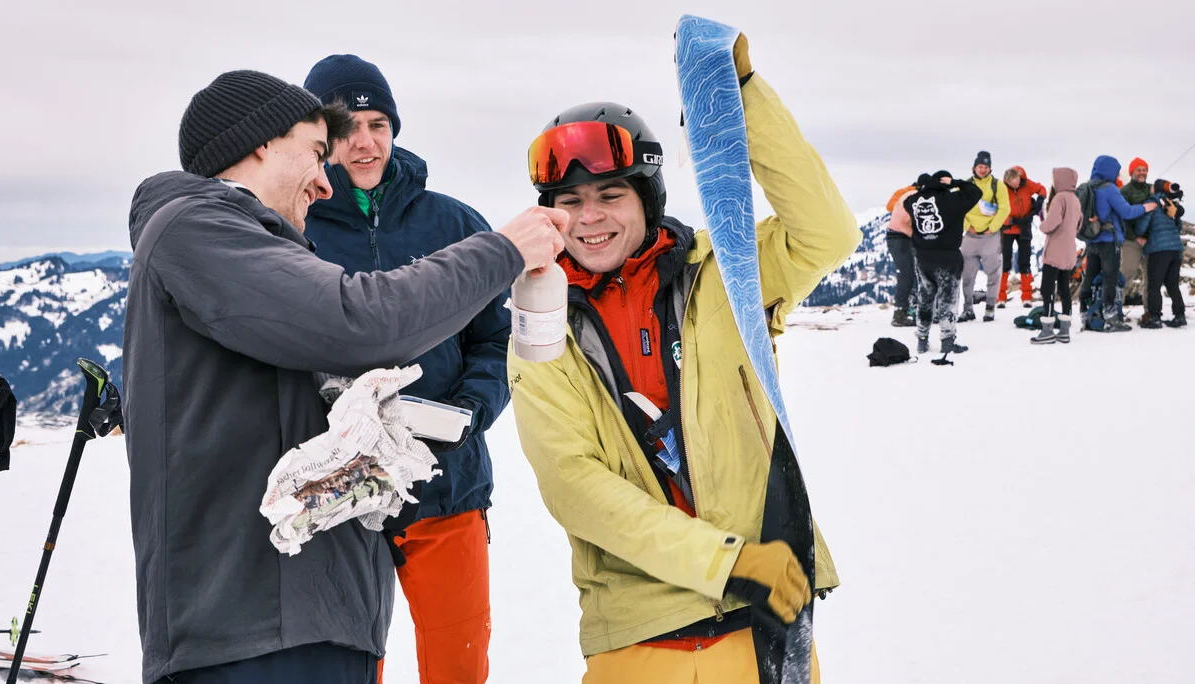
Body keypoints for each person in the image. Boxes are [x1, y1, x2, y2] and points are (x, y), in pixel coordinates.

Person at [122, 69, 565, 684]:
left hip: (324, 600)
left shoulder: (260, 237)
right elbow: (358, 320)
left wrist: (449, 412)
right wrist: (504, 250)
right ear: (261, 143)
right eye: (317, 150)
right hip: (252, 632)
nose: (326, 180)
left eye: (377, 125)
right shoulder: (199, 229)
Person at [507, 35, 857, 684]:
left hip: (765, 623)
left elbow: (827, 234)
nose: (589, 218)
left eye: (610, 195)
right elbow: (574, 484)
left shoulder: (727, 276)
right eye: (570, 202)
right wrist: (726, 561)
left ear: (647, 198)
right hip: (642, 636)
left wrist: (743, 99)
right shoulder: (541, 327)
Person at [302, 54, 503, 684]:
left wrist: (469, 412)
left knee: (457, 667)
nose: (365, 143)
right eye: (347, 128)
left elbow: (496, 340)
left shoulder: (454, 224)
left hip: (445, 485)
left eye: (379, 125)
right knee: (345, 670)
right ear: (319, 139)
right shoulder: (292, 230)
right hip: (337, 495)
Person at [1076, 155, 1158, 332]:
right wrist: (1146, 207)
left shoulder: (1087, 187)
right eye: (1117, 171)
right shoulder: (1109, 189)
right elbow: (1127, 212)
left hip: (1091, 240)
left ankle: (1086, 313)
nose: (1118, 175)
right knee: (1110, 278)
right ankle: (1111, 317)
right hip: (1108, 241)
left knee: (1089, 277)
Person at [905, 171, 983, 354]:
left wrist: (925, 188)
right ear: (945, 184)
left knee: (924, 299)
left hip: (923, 257)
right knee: (948, 300)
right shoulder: (954, 200)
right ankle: (947, 341)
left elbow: (906, 201)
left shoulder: (914, 201)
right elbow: (975, 192)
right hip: (948, 257)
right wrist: (956, 183)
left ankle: (922, 340)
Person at [1032, 168, 1083, 344]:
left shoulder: (1060, 198)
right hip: (1069, 251)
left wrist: (1042, 224)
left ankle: (1047, 330)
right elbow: (1079, 224)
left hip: (1055, 251)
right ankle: (1064, 330)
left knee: (1047, 289)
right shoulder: (1075, 199)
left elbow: (1052, 223)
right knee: (1064, 289)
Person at [960, 150, 1011, 322]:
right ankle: (968, 308)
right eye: (980, 166)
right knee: (967, 275)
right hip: (970, 236)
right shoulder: (965, 185)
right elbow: (959, 207)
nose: (983, 170)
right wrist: (967, 226)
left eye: (986, 167)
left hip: (990, 237)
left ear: (990, 168)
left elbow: (1004, 208)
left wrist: (992, 227)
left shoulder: (997, 185)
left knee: (993, 273)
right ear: (974, 167)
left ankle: (990, 308)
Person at [1134, 180, 1187, 328]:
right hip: (1176, 249)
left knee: (1154, 285)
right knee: (1172, 284)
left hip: (1159, 250)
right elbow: (1179, 226)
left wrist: (1139, 233)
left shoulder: (1151, 202)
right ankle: (1180, 315)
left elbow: (1141, 227)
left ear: (1155, 189)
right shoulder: (1171, 204)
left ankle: (1155, 318)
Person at [999, 166, 1047, 308]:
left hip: (1024, 228)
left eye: (1018, 182)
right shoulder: (1002, 189)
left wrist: (1040, 199)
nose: (1017, 185)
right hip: (1007, 229)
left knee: (1025, 262)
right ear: (1007, 182)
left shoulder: (1027, 183)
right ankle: (1000, 297)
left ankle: (1026, 297)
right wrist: (1008, 221)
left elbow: (1042, 188)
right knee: (1004, 263)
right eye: (1013, 184)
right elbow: (996, 207)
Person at [1119, 157, 1152, 305]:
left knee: (1151, 278)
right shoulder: (1125, 191)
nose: (1142, 172)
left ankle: (1150, 311)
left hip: (1150, 240)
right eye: (1139, 170)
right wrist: (1136, 237)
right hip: (1131, 240)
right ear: (1132, 172)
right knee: (1126, 274)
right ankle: (1116, 310)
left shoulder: (1151, 189)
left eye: (1144, 170)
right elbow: (1122, 217)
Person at [886, 182, 919, 326]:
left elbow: (890, 207)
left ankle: (909, 309)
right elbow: (905, 220)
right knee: (907, 274)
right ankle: (900, 313)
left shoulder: (904, 192)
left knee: (912, 273)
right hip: (900, 236)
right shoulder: (912, 195)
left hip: (899, 236)